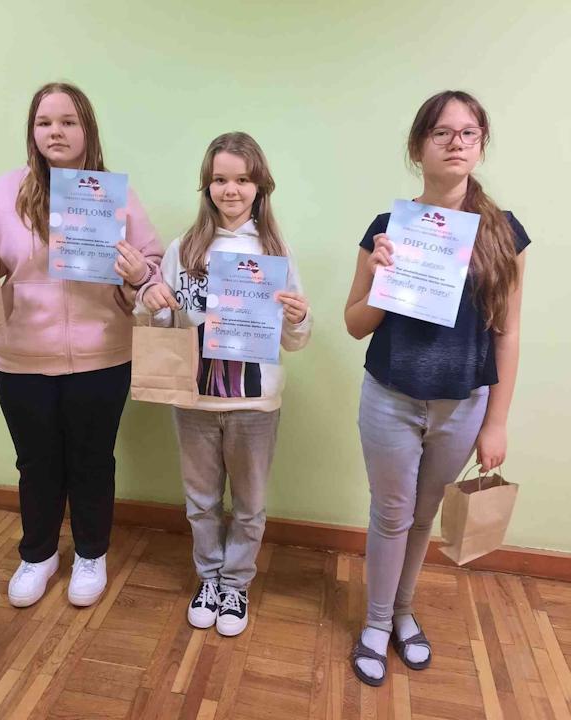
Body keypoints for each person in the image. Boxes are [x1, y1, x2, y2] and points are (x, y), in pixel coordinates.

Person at [0, 82, 163, 608]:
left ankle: (91, 553)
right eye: (44, 122)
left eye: (67, 121)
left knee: (92, 461)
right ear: (32, 133)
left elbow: (150, 270)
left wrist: (137, 273)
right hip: (20, 356)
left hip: (102, 356)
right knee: (35, 463)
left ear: (87, 130)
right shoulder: (6, 191)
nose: (55, 131)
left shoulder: (114, 195)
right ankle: (38, 554)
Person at [343, 90, 530, 685]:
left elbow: (507, 334)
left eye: (469, 133)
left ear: (481, 145)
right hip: (390, 397)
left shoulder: (504, 234)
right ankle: (377, 623)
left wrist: (496, 422)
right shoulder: (386, 229)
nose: (456, 143)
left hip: (463, 404)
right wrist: (378, 277)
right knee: (391, 514)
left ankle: (403, 613)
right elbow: (354, 324)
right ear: (418, 146)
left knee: (423, 517)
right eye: (442, 132)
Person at [122, 131, 312, 636]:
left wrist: (297, 317)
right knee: (202, 502)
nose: (232, 190)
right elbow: (165, 324)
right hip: (195, 398)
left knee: (249, 506)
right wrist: (150, 303)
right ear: (206, 185)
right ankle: (208, 579)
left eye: (243, 180)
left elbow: (295, 339)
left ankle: (236, 585)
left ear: (260, 186)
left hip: (255, 402)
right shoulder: (183, 248)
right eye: (221, 179)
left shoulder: (276, 251)